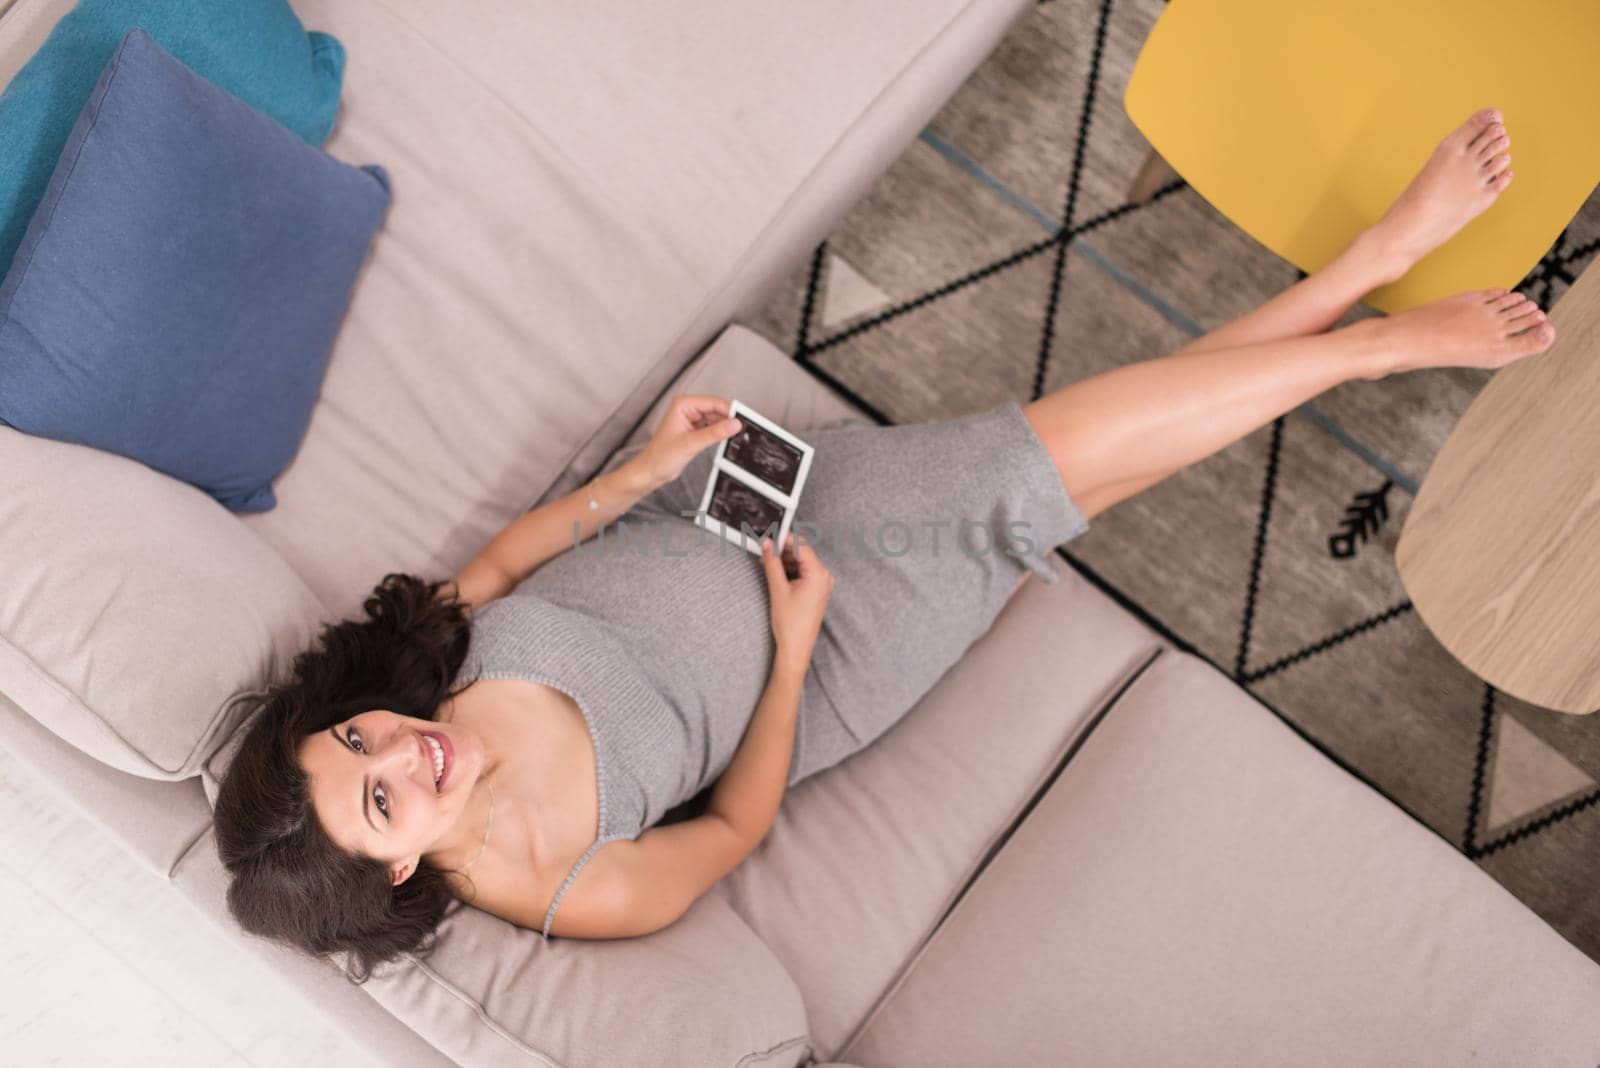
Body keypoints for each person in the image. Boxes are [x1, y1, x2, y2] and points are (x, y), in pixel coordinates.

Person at [213, 108, 1550, 981]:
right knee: (1049, 464)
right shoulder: (562, 887)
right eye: (383, 795)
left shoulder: (422, 669)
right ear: (393, 869)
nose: (401, 750)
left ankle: (1359, 290)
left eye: (355, 741)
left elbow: (514, 556)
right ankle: (1369, 328)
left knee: (1063, 457)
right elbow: (735, 826)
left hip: (727, 509)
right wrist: (791, 650)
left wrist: (654, 468)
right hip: (830, 639)